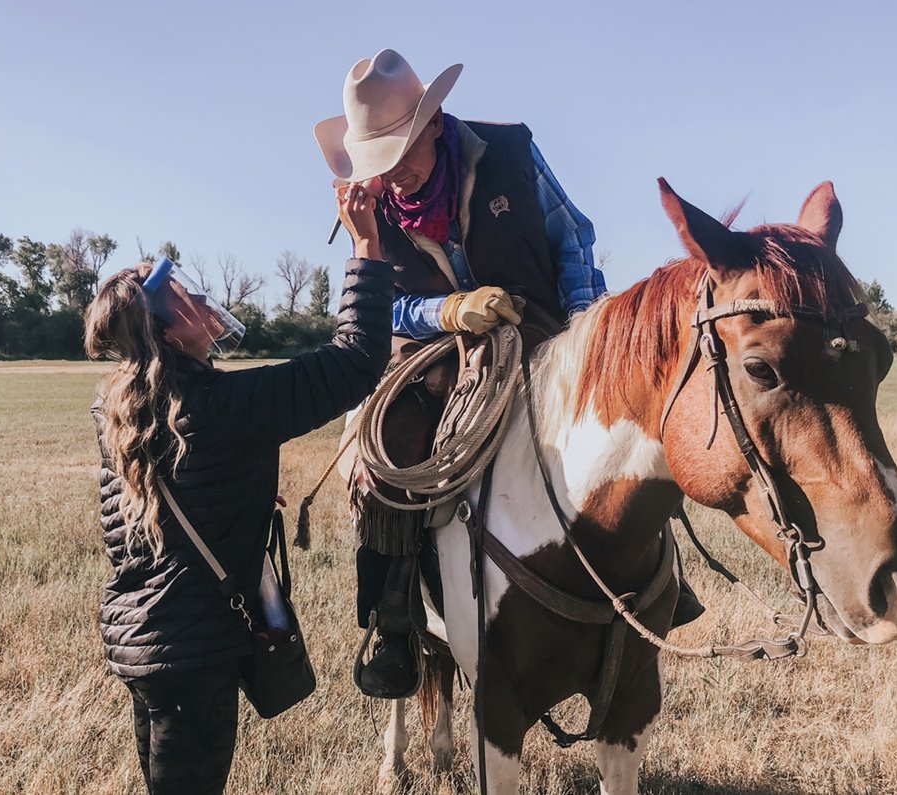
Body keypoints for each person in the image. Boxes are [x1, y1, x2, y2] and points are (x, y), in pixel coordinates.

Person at [315, 49, 700, 699]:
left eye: (401, 152)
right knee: (388, 451)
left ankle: (659, 574)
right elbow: (375, 299)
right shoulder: (370, 204)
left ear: (434, 124)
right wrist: (449, 310)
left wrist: (587, 329)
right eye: (379, 160)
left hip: (542, 325)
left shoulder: (512, 154)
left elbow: (570, 233)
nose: (394, 174)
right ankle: (395, 619)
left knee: (621, 426)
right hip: (431, 348)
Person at [84, 185, 392, 795]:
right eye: (185, 297)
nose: (202, 298)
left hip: (144, 641)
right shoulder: (224, 405)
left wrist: (240, 494)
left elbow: (138, 522)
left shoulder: (117, 407)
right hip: (192, 653)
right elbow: (357, 359)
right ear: (169, 335)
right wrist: (366, 246)